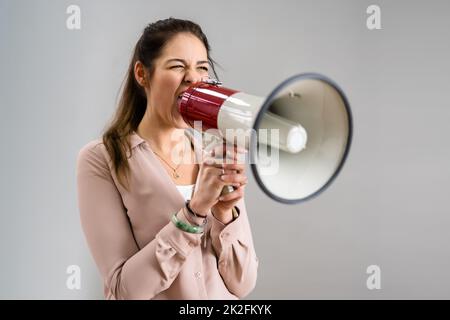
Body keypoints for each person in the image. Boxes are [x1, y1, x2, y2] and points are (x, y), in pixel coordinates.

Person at [76, 18, 258, 300]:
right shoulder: (102, 159)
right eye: (177, 66)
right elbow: (125, 290)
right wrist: (195, 212)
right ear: (142, 74)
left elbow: (243, 283)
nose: (192, 78)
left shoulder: (214, 155)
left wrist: (224, 216)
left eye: (202, 68)